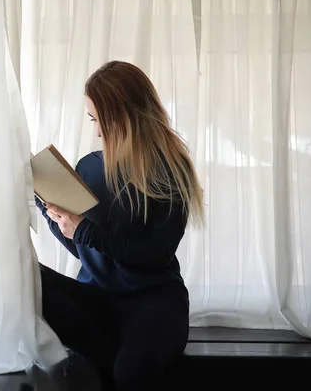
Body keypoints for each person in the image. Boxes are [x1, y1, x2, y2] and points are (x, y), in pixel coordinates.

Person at [35, 61, 205, 390]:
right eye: (92, 119)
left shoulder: (170, 169)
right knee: (30, 276)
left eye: (100, 119)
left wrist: (86, 230)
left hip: (153, 304)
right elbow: (86, 249)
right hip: (100, 300)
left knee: (128, 374)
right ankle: (109, 354)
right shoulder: (89, 166)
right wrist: (55, 215)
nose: (97, 131)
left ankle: (111, 356)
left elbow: (154, 255)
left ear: (126, 116)